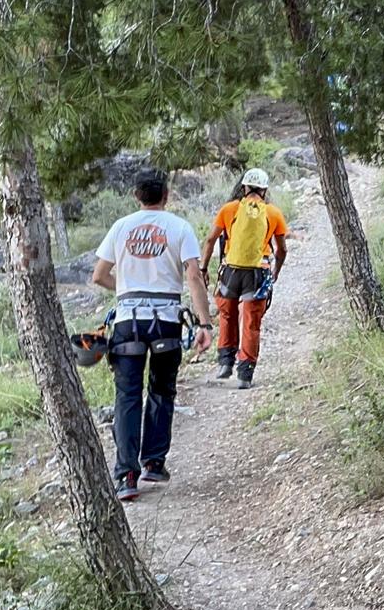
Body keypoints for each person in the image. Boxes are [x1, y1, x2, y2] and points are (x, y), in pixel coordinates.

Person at [90, 169, 214, 503]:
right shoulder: (179, 228)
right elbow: (192, 275)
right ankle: (154, 463)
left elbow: (99, 275)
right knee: (161, 390)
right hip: (166, 321)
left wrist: (128, 290)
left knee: (127, 396)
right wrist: (204, 323)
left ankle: (126, 475)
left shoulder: (121, 227)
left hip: (128, 320)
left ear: (136, 196)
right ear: (167, 195)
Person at [202, 167, 288, 389]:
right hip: (258, 273)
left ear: (244, 187)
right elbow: (281, 250)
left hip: (230, 270)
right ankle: (245, 375)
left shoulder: (229, 209)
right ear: (265, 190)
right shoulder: (274, 213)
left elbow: (211, 240)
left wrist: (203, 268)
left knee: (227, 314)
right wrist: (276, 271)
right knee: (251, 322)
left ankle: (225, 361)